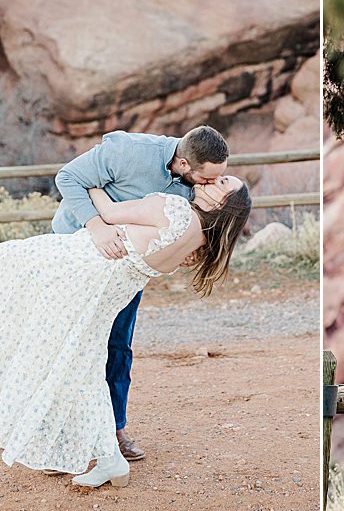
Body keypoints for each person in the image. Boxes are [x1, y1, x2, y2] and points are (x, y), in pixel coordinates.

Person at [0, 176, 251, 488]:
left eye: (223, 183)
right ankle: (110, 460)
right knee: (83, 369)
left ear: (223, 203)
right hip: (109, 291)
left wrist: (91, 182)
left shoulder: (174, 208)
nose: (214, 179)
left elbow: (109, 211)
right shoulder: (200, 242)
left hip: (80, 266)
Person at [52, 126, 229, 461]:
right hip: (76, 254)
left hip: (125, 271)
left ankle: (114, 429)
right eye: (207, 179)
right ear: (182, 165)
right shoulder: (129, 150)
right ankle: (61, 436)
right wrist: (96, 227)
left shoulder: (192, 190)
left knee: (118, 345)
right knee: (71, 346)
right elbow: (68, 177)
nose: (208, 187)